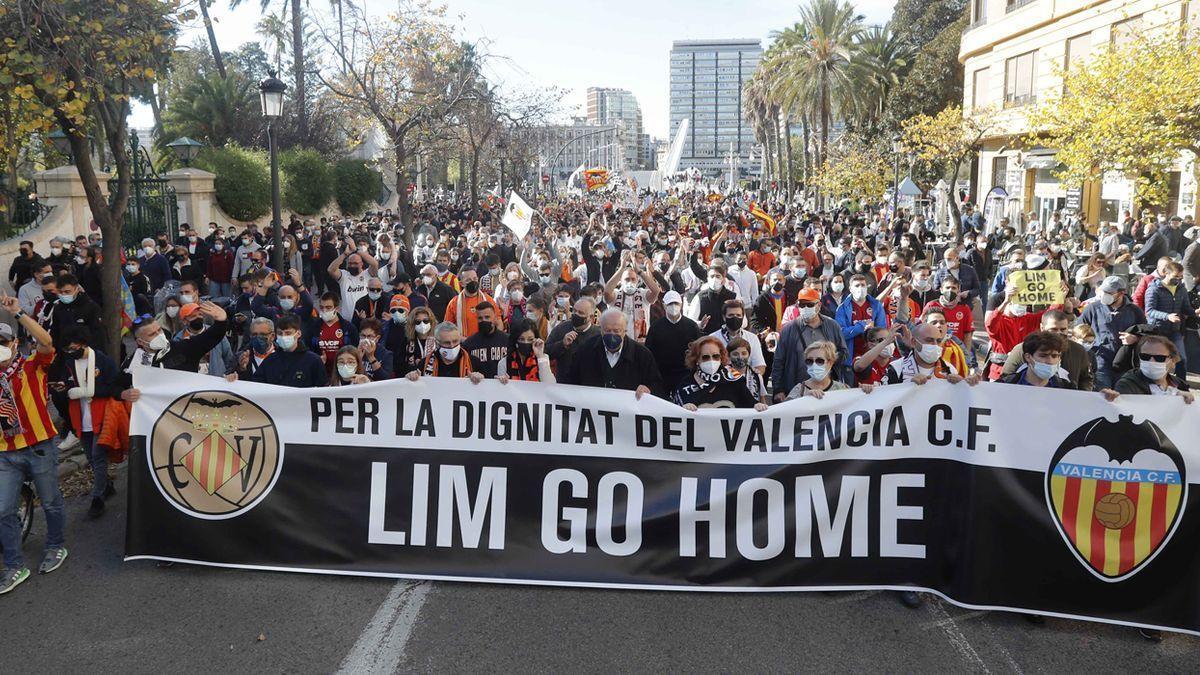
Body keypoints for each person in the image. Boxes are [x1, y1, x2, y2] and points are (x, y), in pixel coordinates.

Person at [0, 294, 68, 594]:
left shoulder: (31, 366)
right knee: (3, 510)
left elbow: (47, 342)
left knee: (50, 501)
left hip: (39, 445)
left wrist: (18, 313)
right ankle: (14, 566)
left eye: (3, 341)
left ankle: (56, 546)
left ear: (14, 343)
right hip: (5, 453)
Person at [48, 327, 120, 518]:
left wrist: (89, 392)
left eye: (73, 348)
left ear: (84, 344)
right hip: (80, 417)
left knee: (97, 456)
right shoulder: (69, 363)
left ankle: (97, 499)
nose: (71, 352)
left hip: (102, 415)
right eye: (68, 350)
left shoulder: (103, 361)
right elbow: (69, 383)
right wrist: (63, 388)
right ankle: (107, 485)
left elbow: (115, 387)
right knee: (90, 457)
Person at [559, 309, 661, 398]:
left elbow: (656, 386)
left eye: (616, 331)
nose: (612, 335)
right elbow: (571, 382)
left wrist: (648, 389)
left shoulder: (642, 355)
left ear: (625, 331)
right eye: (608, 330)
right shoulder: (585, 350)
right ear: (601, 330)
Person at [771, 288, 847, 401]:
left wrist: (827, 360)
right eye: (801, 304)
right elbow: (778, 360)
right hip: (797, 390)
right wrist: (778, 389)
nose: (805, 308)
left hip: (827, 390)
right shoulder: (789, 329)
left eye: (810, 304)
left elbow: (844, 353)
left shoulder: (832, 326)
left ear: (819, 305)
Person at [1077, 276, 1146, 390]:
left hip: (1125, 363)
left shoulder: (1135, 311)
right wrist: (1084, 339)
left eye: (1109, 292)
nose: (1105, 294)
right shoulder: (1093, 308)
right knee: (1102, 394)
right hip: (1100, 360)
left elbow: (1147, 335)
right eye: (1104, 291)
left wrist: (1135, 338)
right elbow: (1079, 328)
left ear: (1121, 293)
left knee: (1122, 396)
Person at [1001, 310, 1093, 391]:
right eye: (1054, 329)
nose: (1059, 333)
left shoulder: (1078, 351)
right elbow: (1006, 377)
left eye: (1063, 329)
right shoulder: (1022, 349)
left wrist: (1082, 397)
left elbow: (1085, 379)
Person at [672, 336, 766, 410]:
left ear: (721, 358)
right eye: (705, 357)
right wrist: (684, 408)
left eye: (716, 356)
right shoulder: (685, 385)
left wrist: (757, 406)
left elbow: (751, 403)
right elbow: (676, 414)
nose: (711, 360)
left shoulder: (734, 379)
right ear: (696, 359)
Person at [1144, 260, 1194, 378]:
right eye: (1175, 276)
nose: (1178, 279)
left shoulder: (1181, 289)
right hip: (1157, 330)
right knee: (1159, 359)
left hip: (1174, 330)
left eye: (1180, 277)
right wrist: (1167, 316)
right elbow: (1150, 311)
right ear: (1166, 273)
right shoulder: (1154, 289)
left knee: (1181, 358)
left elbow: (1186, 308)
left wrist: (1195, 312)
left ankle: (1182, 385)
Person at [247, 313, 327, 387]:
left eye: (288, 333)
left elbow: (323, 389)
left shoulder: (313, 361)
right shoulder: (269, 361)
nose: (283, 336)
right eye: (280, 333)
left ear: (298, 333)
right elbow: (256, 386)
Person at [645, 290, 701, 391]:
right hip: (662, 376)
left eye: (676, 303)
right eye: (670, 303)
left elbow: (698, 351)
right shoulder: (656, 327)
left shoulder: (692, 326)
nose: (673, 306)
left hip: (686, 375)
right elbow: (649, 353)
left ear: (681, 304)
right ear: (664, 305)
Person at [1114, 335, 1193, 402]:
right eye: (1145, 357)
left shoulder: (1180, 384)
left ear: (1173, 361)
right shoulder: (1127, 385)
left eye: (1159, 358)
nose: (1152, 361)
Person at [406, 321, 484, 382]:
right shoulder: (424, 363)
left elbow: (486, 389)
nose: (452, 345)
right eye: (446, 342)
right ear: (437, 343)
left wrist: (480, 378)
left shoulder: (474, 362)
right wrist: (411, 378)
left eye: (455, 341)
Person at [786, 341, 863, 399]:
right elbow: (785, 413)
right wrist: (804, 399)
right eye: (809, 361)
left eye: (819, 361)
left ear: (830, 363)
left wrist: (865, 391)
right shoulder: (799, 390)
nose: (814, 365)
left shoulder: (842, 389)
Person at [306, 292, 359, 376]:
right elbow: (308, 349)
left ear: (336, 309)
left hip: (343, 372)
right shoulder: (313, 328)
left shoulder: (349, 328)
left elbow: (355, 350)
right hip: (321, 372)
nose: (324, 310)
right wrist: (316, 360)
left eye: (328, 307)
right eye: (321, 307)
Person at [708, 299, 765, 375]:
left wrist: (751, 380)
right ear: (724, 317)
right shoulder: (713, 339)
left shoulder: (752, 338)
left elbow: (759, 365)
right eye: (731, 315)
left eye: (738, 315)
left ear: (743, 317)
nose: (735, 318)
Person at [999, 331, 1075, 389]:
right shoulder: (1004, 385)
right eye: (1043, 356)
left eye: (1054, 356)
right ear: (1028, 357)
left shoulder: (1068, 388)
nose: (1050, 361)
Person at [327, 244, 379, 322]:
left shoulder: (367, 274)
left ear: (362, 264)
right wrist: (344, 254)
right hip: (347, 320)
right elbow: (330, 270)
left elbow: (374, 263)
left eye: (355, 263)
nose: (352, 265)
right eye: (350, 263)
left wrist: (356, 250)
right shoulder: (344, 276)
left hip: (365, 319)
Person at [444, 268, 495, 339]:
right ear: (461, 283)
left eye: (475, 279)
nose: (473, 282)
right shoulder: (454, 303)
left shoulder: (488, 299)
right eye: (468, 280)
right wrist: (461, 339)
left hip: (486, 343)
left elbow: (498, 322)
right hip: (464, 344)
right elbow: (448, 328)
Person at [463, 301, 508, 378]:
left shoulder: (507, 340)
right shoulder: (468, 344)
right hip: (478, 386)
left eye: (487, 317)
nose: (483, 320)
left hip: (502, 386)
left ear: (495, 318)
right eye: (480, 318)